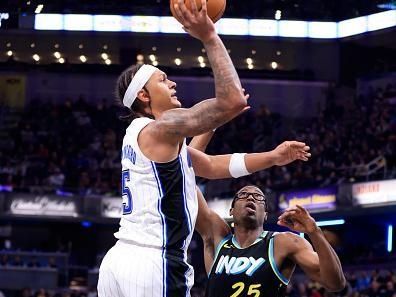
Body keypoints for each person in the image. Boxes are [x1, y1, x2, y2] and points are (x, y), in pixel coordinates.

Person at [97, 0, 311, 295]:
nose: (171, 83)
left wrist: (273, 157)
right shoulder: (161, 127)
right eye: (162, 79)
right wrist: (209, 36)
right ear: (144, 96)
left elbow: (209, 166)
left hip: (120, 259)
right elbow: (233, 100)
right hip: (152, 260)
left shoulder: (140, 134)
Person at [195, 185, 346, 297]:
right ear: (231, 210)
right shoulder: (217, 237)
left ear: (266, 214)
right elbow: (184, 180)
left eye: (258, 197)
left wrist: (315, 232)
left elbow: (335, 283)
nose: (251, 197)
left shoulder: (283, 242)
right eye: (243, 195)